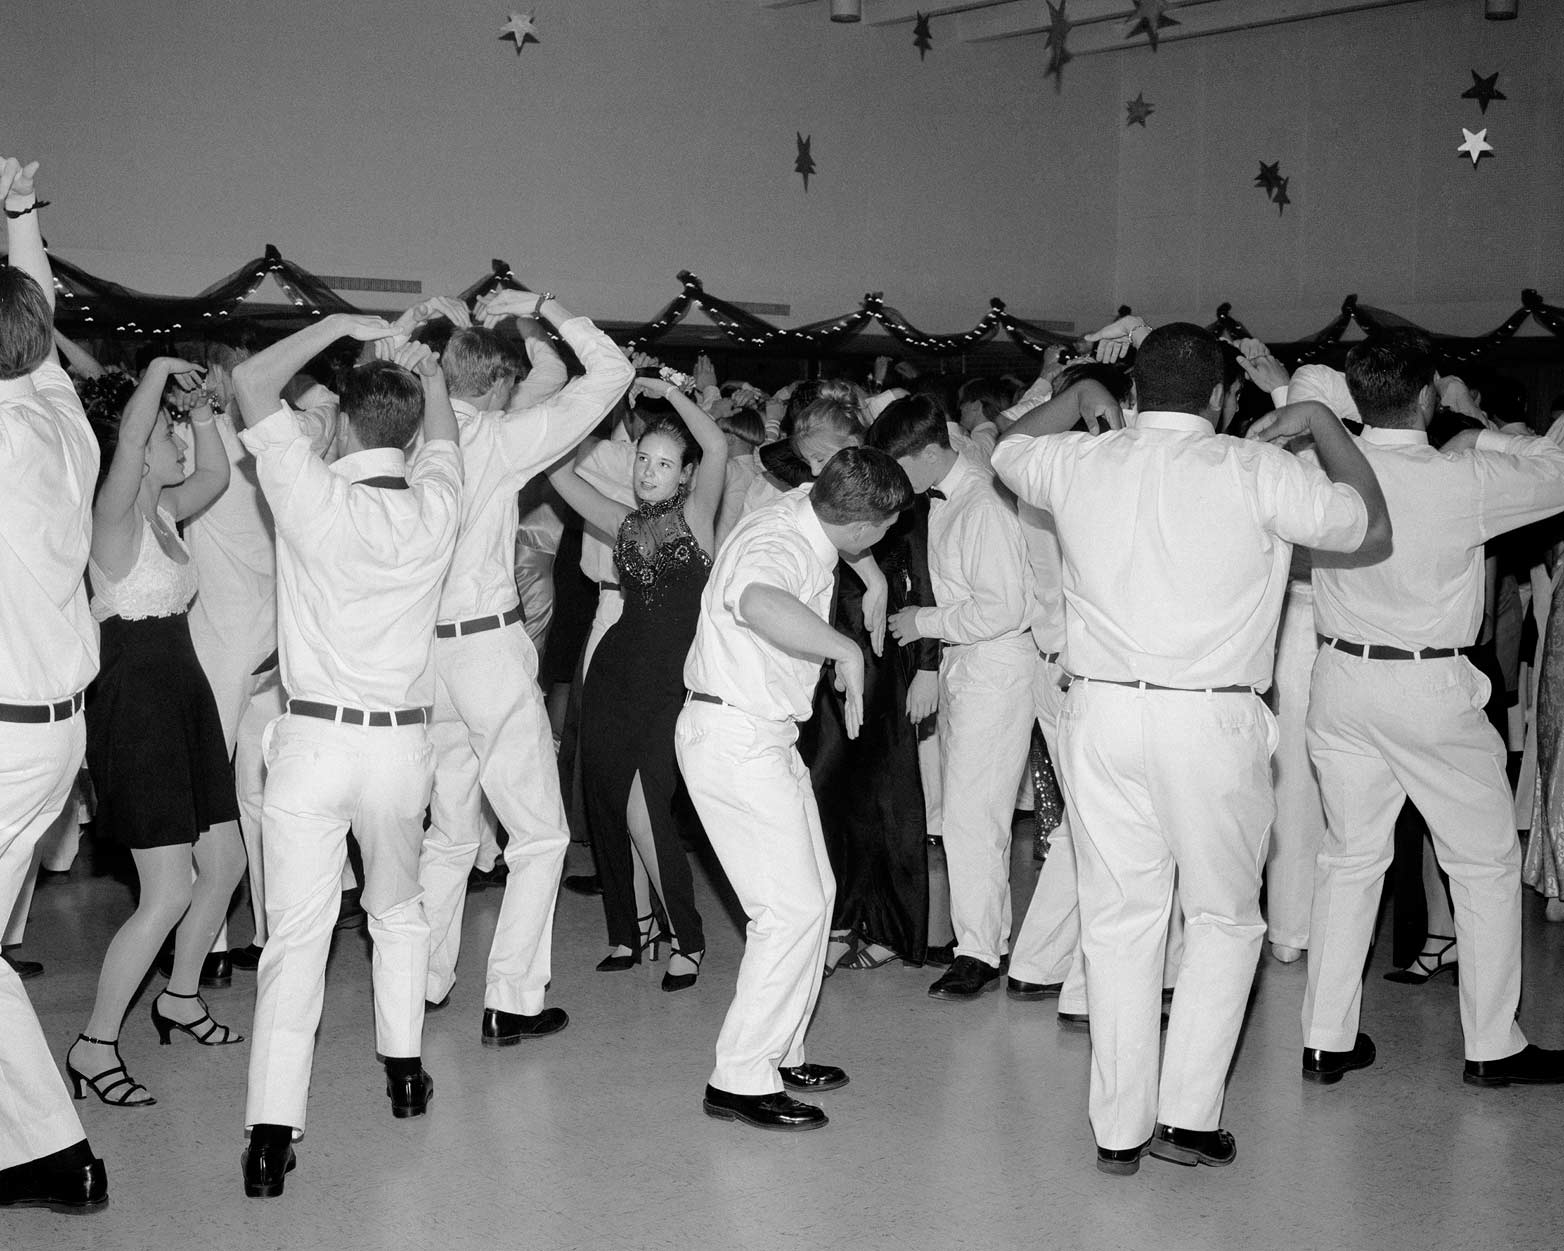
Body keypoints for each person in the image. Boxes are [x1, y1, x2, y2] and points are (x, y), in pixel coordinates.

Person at [992, 323, 1388, 1176]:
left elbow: (1005, 451)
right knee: (1220, 917)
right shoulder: (1256, 469)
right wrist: (1321, 425)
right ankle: (1187, 1117)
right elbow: (1368, 522)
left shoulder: (1082, 460)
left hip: (1100, 712)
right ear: (1219, 397)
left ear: (1133, 391)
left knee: (1121, 919)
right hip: (1208, 718)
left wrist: (1073, 397)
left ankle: (1118, 1128)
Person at [1287, 329, 1564, 1090]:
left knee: (1349, 859)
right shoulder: (1461, 477)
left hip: (1339, 678)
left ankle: (1325, 1039)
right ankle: (1490, 1044)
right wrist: (1484, 414)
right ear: (1426, 397)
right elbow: (1558, 468)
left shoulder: (1325, 468)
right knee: (1483, 861)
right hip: (1428, 687)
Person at [231, 314, 462, 1198]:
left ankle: (270, 1136)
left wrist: (335, 323)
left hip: (315, 742)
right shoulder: (436, 504)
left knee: (297, 936)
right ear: (401, 427)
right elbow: (440, 438)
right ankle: (404, 1072)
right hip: (400, 747)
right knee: (398, 912)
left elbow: (253, 385)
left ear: (347, 426)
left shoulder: (310, 492)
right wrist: (427, 374)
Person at [410, 288, 632, 1037]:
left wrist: (427, 328)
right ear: (498, 384)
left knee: (447, 829)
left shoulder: (410, 434)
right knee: (538, 833)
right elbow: (610, 374)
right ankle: (512, 998)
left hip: (422, 656)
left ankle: (426, 979)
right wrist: (546, 306)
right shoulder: (502, 438)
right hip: (486, 651)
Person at [676, 447, 912, 1131]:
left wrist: (872, 578)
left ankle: (779, 1049)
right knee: (789, 908)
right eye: (882, 531)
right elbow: (758, 599)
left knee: (818, 895)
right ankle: (741, 1077)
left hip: (761, 735)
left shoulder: (813, 505)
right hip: (734, 739)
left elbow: (834, 509)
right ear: (863, 525)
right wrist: (843, 650)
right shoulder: (777, 542)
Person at [69, 349, 245, 1107]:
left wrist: (204, 410)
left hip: (183, 692)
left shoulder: (166, 511)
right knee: (167, 890)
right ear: (133, 452)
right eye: (170, 429)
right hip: (135, 702)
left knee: (227, 861)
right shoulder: (108, 517)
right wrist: (158, 370)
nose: (178, 439)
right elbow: (136, 435)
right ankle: (94, 1042)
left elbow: (219, 475)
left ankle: (178, 996)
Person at [0, 154, 109, 1213]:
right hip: (50, 732)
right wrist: (22, 212)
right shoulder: (55, 420)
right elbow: (36, 339)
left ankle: (52, 1154)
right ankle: (41, 1153)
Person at [548, 377, 726, 990]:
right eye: (643, 461)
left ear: (685, 475)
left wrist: (668, 395)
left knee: (648, 809)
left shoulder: (697, 520)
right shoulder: (624, 525)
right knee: (607, 801)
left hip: (667, 681)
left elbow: (717, 446)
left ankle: (689, 937)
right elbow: (559, 475)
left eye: (664, 464)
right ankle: (632, 928)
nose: (649, 472)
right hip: (615, 666)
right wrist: (587, 406)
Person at [869, 394, 1035, 1001]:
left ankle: (979, 952)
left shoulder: (982, 507)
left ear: (932, 453)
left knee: (973, 816)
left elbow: (1006, 608)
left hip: (996, 666)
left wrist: (925, 623)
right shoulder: (947, 501)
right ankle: (987, 938)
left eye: (899, 466)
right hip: (971, 665)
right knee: (973, 813)